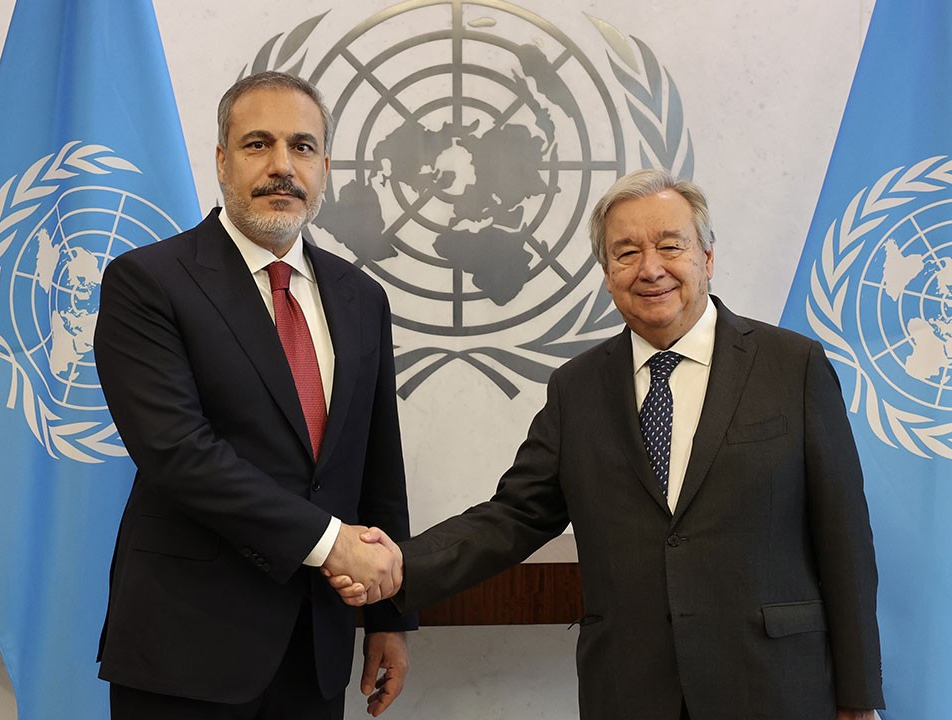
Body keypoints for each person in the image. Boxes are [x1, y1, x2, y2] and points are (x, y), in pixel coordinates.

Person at [332, 169, 884, 719]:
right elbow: (513, 517)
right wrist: (401, 563)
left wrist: (858, 697)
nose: (650, 268)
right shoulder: (577, 389)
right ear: (606, 273)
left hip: (773, 685)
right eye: (626, 253)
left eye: (670, 246)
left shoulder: (792, 366)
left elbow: (844, 539)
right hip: (630, 689)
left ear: (707, 258)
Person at [94, 71, 414, 719]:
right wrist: (331, 542)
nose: (281, 167)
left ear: (324, 169)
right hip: (186, 647)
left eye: (302, 147)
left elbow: (377, 464)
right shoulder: (147, 282)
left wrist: (389, 616)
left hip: (317, 647)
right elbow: (178, 453)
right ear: (222, 161)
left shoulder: (361, 298)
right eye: (258, 144)